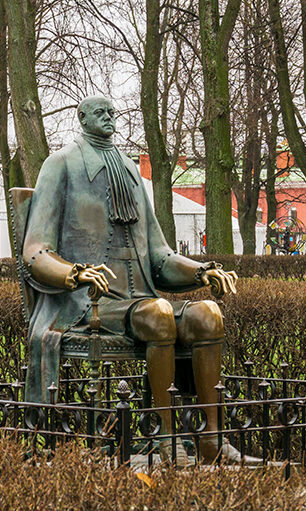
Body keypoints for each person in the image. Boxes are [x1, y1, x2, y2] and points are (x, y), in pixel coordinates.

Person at [21, 95, 253, 464]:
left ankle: (212, 440)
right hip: (86, 305)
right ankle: (166, 438)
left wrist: (201, 271)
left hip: (140, 300)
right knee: (158, 314)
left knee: (208, 314)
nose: (109, 116)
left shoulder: (130, 171)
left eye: (113, 112)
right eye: (100, 112)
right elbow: (34, 252)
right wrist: (75, 274)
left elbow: (159, 257)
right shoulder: (60, 165)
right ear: (81, 118)